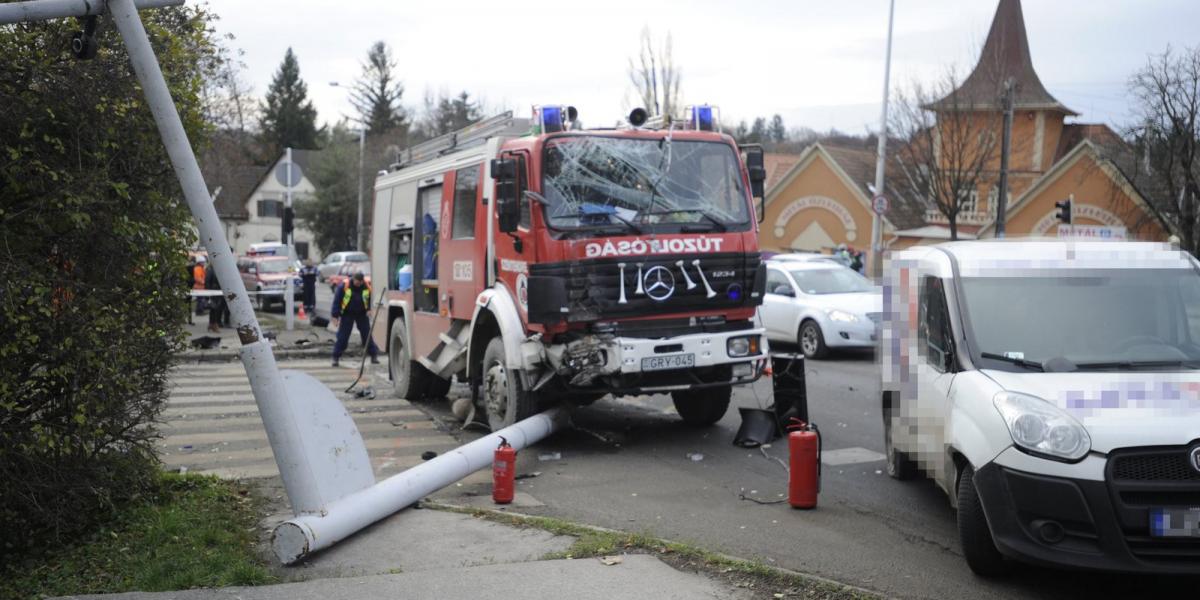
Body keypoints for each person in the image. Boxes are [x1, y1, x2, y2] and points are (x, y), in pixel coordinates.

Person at [331, 271, 379, 367]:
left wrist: (369, 309)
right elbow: (337, 301)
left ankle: (374, 355)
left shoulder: (366, 286)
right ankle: (335, 357)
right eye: (357, 282)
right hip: (347, 313)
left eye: (360, 282)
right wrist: (335, 315)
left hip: (361, 313)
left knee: (367, 335)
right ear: (353, 279)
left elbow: (371, 298)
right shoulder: (344, 286)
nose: (359, 284)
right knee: (343, 336)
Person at [205, 259, 227, 333]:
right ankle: (214, 324)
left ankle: (212, 324)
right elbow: (207, 281)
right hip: (213, 292)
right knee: (214, 309)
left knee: (215, 309)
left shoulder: (217, 270)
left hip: (218, 291)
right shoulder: (211, 270)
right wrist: (208, 293)